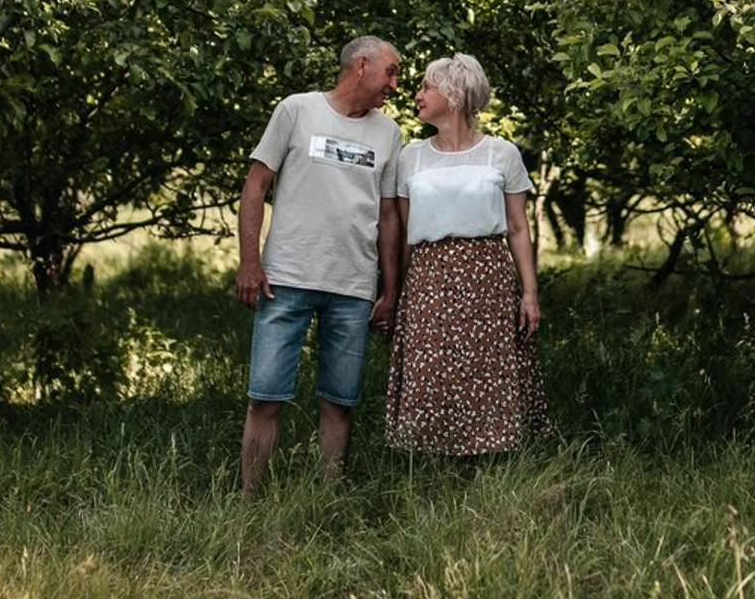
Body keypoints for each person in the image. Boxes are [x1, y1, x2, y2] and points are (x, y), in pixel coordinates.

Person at [236, 35, 403, 498]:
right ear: (362, 66)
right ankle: (249, 500)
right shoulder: (296, 110)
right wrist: (250, 263)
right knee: (265, 396)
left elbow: (389, 216)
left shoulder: (389, 133)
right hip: (286, 280)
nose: (394, 85)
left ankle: (327, 500)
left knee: (340, 401)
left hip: (353, 287)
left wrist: (390, 289)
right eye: (390, 72)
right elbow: (255, 188)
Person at [385, 52, 554, 456]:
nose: (417, 94)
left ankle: (491, 452)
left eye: (427, 86)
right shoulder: (411, 157)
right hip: (429, 275)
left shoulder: (501, 153)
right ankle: (431, 455)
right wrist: (395, 295)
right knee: (431, 366)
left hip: (487, 272)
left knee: (487, 365)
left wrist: (529, 293)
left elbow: (517, 227)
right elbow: (406, 233)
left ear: (455, 94)